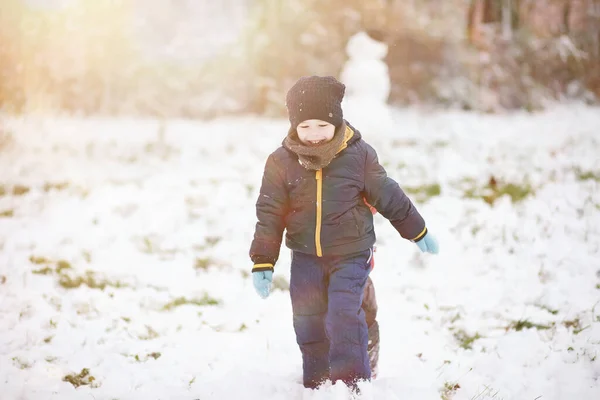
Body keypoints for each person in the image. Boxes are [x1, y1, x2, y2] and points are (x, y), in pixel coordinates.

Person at [249, 75, 439, 393]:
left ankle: (352, 384)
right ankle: (318, 380)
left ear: (336, 122)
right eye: (304, 126)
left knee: (341, 313)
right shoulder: (280, 162)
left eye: (321, 125)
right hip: (305, 254)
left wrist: (417, 230)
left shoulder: (358, 155)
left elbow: (388, 195)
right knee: (307, 316)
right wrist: (263, 261)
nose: (312, 135)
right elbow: (269, 212)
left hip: (352, 251)